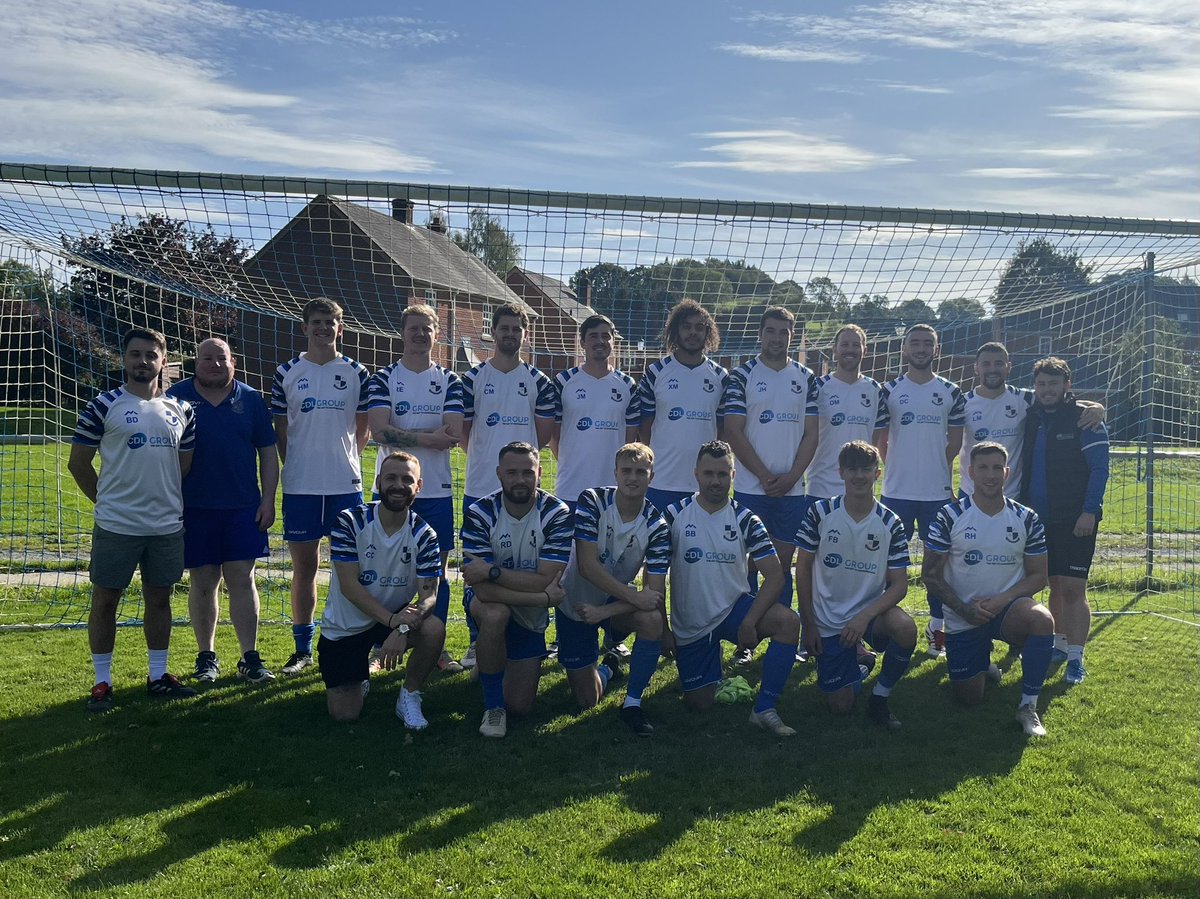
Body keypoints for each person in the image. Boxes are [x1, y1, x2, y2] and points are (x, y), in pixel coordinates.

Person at [68, 327, 198, 711]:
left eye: (150, 355)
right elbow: (78, 464)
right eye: (135, 354)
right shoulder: (103, 405)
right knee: (105, 601)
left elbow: (183, 467)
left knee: (159, 601)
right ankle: (102, 682)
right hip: (117, 526)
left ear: (162, 361)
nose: (143, 361)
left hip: (165, 527)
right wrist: (106, 502)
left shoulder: (183, 410)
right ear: (124, 359)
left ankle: (158, 676)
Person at [660, 440, 802, 736]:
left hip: (734, 611)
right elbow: (655, 574)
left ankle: (764, 708)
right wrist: (663, 627)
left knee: (788, 622)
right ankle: (712, 675)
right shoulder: (673, 515)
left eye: (722, 474)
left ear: (733, 476)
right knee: (700, 704)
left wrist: (750, 621)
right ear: (696, 474)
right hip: (691, 623)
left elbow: (775, 576)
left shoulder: (745, 518)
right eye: (709, 473)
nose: (715, 481)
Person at [923, 442, 1055, 736]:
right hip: (962, 614)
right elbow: (929, 576)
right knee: (969, 699)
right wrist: (964, 609)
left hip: (1007, 609)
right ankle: (982, 663)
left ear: (1007, 472)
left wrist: (1001, 600)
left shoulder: (1026, 518)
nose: (990, 475)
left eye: (997, 468)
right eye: (983, 467)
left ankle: (1028, 707)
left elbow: (1038, 577)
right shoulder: (949, 516)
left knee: (1042, 620)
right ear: (970, 472)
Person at [167, 338, 279, 684]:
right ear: (195, 362)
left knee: (242, 579)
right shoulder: (174, 398)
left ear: (234, 361)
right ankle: (207, 657)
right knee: (203, 582)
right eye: (207, 358)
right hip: (194, 507)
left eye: (221, 358)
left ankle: (250, 657)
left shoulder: (251, 400)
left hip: (243, 507)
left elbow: (268, 453)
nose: (214, 364)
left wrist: (268, 499)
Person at [271, 298, 371, 676]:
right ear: (304, 327)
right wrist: (298, 463)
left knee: (351, 569)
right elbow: (282, 432)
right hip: (300, 486)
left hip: (345, 484)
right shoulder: (286, 372)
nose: (323, 328)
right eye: (317, 322)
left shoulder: (357, 372)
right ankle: (302, 650)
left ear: (340, 328)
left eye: (331, 322)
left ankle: (352, 643)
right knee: (304, 569)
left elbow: (363, 429)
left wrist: (343, 459)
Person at [367, 303, 464, 672]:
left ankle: (433, 649)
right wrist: (428, 436)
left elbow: (451, 435)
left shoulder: (450, 380)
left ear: (436, 335)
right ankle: (379, 646)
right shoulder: (384, 378)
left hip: (435, 489)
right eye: (414, 329)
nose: (420, 335)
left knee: (435, 574)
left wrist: (405, 435)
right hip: (391, 487)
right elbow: (379, 431)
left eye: (427, 329)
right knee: (383, 568)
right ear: (403, 333)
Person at [459, 304, 557, 669]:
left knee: (529, 563)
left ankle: (532, 635)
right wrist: (488, 462)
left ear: (524, 334)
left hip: (524, 492)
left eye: (517, 329)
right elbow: (465, 434)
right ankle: (476, 639)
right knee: (476, 568)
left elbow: (542, 437)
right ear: (494, 332)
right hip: (480, 487)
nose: (510, 334)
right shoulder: (471, 379)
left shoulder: (539, 381)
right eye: (504, 328)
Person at [794, 440, 916, 729]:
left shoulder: (890, 522)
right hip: (828, 620)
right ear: (841, 473)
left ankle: (880, 698)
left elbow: (899, 585)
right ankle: (860, 666)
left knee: (906, 628)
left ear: (877, 473)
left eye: (866, 469)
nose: (859, 476)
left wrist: (864, 617)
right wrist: (809, 624)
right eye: (852, 469)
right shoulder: (820, 513)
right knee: (840, 707)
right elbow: (802, 568)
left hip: (870, 615)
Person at [316, 452, 444, 727]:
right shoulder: (350, 521)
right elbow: (349, 587)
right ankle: (358, 676)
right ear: (378, 482)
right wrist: (393, 620)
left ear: (418, 487)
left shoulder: (425, 535)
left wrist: (402, 627)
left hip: (393, 619)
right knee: (345, 715)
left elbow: (429, 595)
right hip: (346, 625)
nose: (398, 485)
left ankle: (409, 696)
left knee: (434, 629)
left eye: (407, 479)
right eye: (391, 478)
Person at [461, 442, 572, 738]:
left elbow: (546, 578)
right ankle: (493, 707)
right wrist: (542, 597)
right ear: (499, 474)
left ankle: (490, 658)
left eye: (527, 472)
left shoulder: (557, 513)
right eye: (512, 472)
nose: (520, 479)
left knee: (521, 707)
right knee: (496, 614)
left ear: (540, 472)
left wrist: (494, 571)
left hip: (529, 610)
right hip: (495, 603)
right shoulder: (480, 512)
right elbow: (483, 591)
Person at [559, 443, 671, 736]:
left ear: (652, 476)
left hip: (610, 604)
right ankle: (609, 667)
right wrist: (632, 597)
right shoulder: (592, 499)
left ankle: (633, 704)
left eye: (641, 472)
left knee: (652, 620)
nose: (633, 478)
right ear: (616, 473)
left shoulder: (658, 526)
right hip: (577, 602)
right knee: (587, 701)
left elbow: (654, 594)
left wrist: (605, 611)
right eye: (627, 471)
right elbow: (586, 565)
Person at [551, 312, 641, 660]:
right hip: (572, 491)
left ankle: (612, 637)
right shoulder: (564, 381)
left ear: (613, 342)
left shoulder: (626, 386)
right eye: (594, 336)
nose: (601, 342)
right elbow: (554, 436)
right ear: (583, 342)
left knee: (614, 566)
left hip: (614, 496)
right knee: (571, 570)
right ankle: (565, 635)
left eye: (607, 336)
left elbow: (632, 439)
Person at [874, 323, 965, 658]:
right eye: (916, 343)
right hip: (896, 492)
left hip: (937, 495)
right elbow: (881, 439)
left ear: (936, 350)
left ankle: (936, 631)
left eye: (928, 343)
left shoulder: (951, 391)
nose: (922, 348)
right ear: (905, 349)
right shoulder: (890, 389)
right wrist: (899, 465)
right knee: (887, 566)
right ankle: (882, 628)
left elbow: (955, 440)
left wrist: (932, 467)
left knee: (936, 570)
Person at [722, 306, 818, 618]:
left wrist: (791, 477)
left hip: (791, 492)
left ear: (793, 336)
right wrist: (764, 475)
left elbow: (811, 435)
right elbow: (732, 431)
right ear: (760, 334)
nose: (777, 337)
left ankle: (784, 633)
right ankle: (744, 639)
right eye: (771, 331)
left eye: (784, 332)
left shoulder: (806, 378)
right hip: (752, 487)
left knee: (783, 564)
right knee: (747, 563)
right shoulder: (741, 375)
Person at [1020, 357, 1109, 686]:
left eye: (1053, 384)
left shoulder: (1086, 420)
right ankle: (1057, 646)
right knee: (1053, 585)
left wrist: (1090, 510)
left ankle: (1076, 657)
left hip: (1076, 518)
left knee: (1073, 588)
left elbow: (1100, 470)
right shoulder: (1031, 416)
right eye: (1041, 384)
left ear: (1067, 386)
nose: (1046, 389)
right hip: (1039, 519)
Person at [959, 342, 1104, 499]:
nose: (992, 369)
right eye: (986, 364)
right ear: (976, 368)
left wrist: (1097, 407)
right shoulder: (961, 403)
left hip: (1012, 496)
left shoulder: (1025, 398)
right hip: (970, 493)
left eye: (999, 363)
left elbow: (1059, 400)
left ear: (1008, 367)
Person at [637, 299, 727, 514]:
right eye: (686, 327)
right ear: (675, 331)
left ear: (708, 333)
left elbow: (723, 428)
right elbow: (645, 426)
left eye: (699, 327)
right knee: (661, 546)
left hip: (704, 485)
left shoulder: (721, 376)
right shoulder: (656, 372)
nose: (692, 333)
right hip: (662, 481)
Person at [806, 324, 885, 502]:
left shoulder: (875, 390)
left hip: (860, 488)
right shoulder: (818, 387)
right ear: (834, 349)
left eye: (856, 345)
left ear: (865, 350)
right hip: (821, 486)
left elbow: (875, 439)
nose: (850, 350)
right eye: (845, 345)